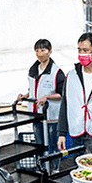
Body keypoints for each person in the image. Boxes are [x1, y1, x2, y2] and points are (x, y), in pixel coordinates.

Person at [16, 39, 65, 170]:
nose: (39, 53)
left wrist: (47, 96)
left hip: (52, 116)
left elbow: (62, 94)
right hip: (36, 114)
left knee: (53, 144)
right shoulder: (33, 70)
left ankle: (55, 169)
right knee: (39, 144)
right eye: (37, 50)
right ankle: (42, 169)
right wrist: (25, 95)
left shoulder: (56, 72)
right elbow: (33, 89)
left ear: (50, 52)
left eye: (43, 50)